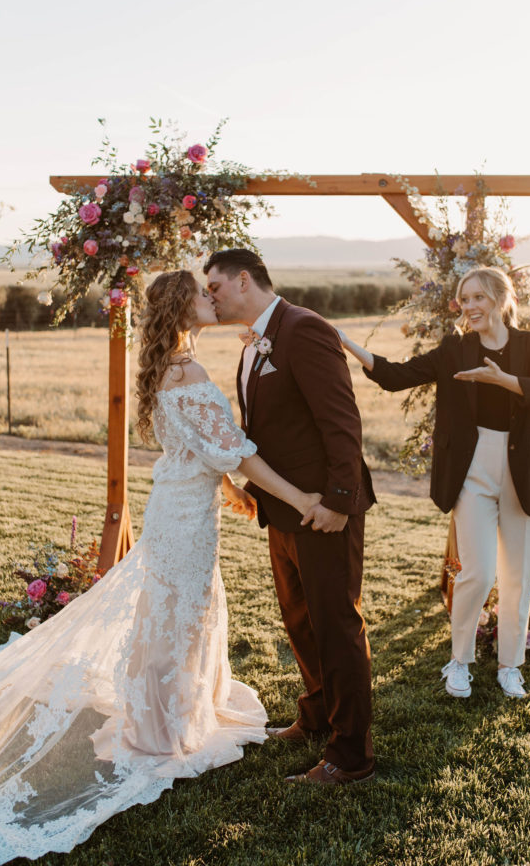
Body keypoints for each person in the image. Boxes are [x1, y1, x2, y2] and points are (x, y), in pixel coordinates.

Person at [0, 269, 321, 865]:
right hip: (183, 517)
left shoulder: (165, 368)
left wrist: (226, 485)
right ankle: (160, 729)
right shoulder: (191, 370)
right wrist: (299, 498)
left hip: (179, 503)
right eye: (202, 296)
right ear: (182, 310)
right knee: (180, 609)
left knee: (173, 606)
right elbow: (236, 451)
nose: (212, 300)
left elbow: (202, 448)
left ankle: (166, 712)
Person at [337, 265, 530, 700]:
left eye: (478, 297)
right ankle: (460, 660)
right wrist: (350, 346)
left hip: (524, 468)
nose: (469, 307)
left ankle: (510, 667)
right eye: (464, 300)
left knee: (518, 577)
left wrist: (505, 382)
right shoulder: (454, 350)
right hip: (471, 468)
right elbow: (396, 376)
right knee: (478, 573)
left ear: (502, 299)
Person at [204, 249, 376, 786]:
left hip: (323, 508)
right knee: (301, 620)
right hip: (281, 509)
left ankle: (351, 755)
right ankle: (318, 715)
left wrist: (338, 500)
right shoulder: (259, 338)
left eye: (214, 287)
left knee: (336, 624)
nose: (209, 296)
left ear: (244, 280)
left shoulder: (303, 329)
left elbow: (342, 420)